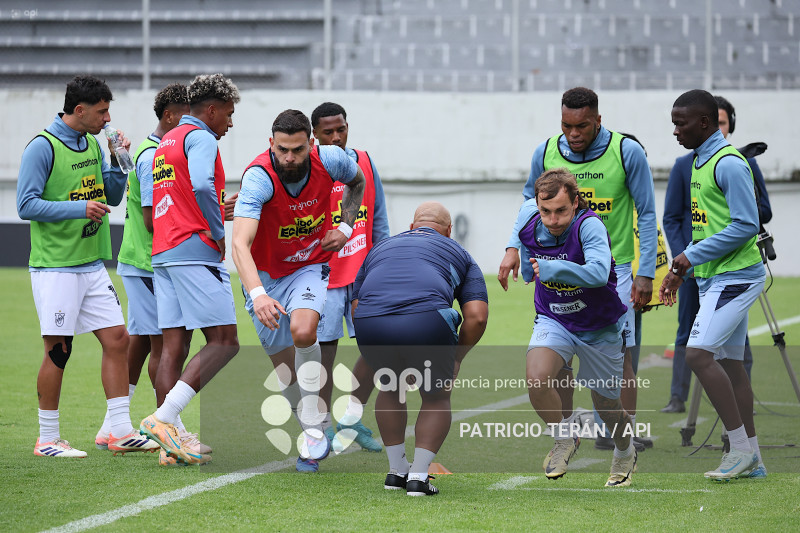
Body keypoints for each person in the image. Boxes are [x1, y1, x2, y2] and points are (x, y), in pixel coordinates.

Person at [498, 87, 657, 452]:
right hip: (557, 266)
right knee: (561, 351)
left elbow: (646, 213)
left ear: (598, 120)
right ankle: (567, 433)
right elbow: (528, 202)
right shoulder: (546, 151)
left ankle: (622, 436)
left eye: (582, 125)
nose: (574, 133)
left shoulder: (625, 152)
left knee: (624, 352)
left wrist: (645, 271)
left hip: (612, 269)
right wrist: (513, 248)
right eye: (567, 125)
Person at [17, 75, 158, 457]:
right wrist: (77, 208)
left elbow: (110, 196)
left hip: (92, 263)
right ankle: (47, 439)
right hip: (56, 266)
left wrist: (116, 159)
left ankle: (120, 431)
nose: (107, 118)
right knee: (59, 350)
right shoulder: (42, 148)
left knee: (117, 340)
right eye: (102, 111)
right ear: (79, 110)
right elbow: (25, 205)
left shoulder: (95, 144)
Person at [232, 109, 366, 473]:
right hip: (264, 275)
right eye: (282, 150)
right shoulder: (258, 178)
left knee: (304, 330)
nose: (289, 158)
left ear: (311, 143)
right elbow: (239, 245)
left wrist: (347, 226)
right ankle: (313, 425)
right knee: (286, 374)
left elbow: (358, 184)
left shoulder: (333, 159)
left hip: (309, 264)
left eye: (297, 150)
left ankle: (311, 429)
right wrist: (258, 293)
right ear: (270, 145)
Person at [93, 83, 211, 465]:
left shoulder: (155, 150)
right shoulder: (151, 155)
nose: (192, 123)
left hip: (147, 259)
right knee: (166, 345)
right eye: (186, 115)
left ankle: (114, 425)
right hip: (149, 261)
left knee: (144, 342)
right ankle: (168, 432)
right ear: (170, 116)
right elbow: (152, 216)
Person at [500, 169, 637, 487]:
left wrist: (549, 267)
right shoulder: (530, 214)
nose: (553, 219)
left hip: (599, 325)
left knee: (607, 407)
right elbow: (520, 222)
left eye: (561, 210)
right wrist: (512, 252)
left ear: (576, 202)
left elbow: (599, 273)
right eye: (545, 211)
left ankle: (625, 451)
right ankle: (565, 437)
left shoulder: (589, 225)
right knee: (536, 380)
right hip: (555, 317)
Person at [661, 89, 766, 480]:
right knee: (732, 366)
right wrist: (680, 269)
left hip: (736, 276)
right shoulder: (699, 162)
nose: (674, 131)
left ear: (704, 123)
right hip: (713, 277)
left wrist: (690, 256)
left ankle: (738, 449)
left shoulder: (728, 163)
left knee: (697, 354)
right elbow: (709, 226)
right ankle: (753, 459)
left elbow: (746, 224)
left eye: (680, 123)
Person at [138, 74, 241, 465]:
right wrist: (217, 232)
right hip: (192, 250)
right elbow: (200, 185)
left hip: (163, 252)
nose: (229, 124)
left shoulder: (166, 141)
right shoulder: (200, 138)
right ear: (211, 110)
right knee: (225, 341)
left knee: (173, 346)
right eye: (228, 115)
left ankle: (172, 441)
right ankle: (164, 418)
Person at [353, 201, 488, 496]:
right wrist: (456, 357)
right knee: (436, 395)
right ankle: (418, 476)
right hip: (425, 321)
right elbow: (477, 316)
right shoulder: (461, 253)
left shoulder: (380, 247)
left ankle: (396, 471)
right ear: (449, 231)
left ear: (412, 227)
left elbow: (357, 303)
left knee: (390, 387)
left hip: (370, 322)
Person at [311, 102, 390, 453]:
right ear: (314, 135)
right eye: (327, 132)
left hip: (365, 275)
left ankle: (351, 417)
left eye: (340, 129)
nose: (336, 136)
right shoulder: (309, 167)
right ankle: (323, 424)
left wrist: (386, 266)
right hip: (324, 276)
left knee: (379, 348)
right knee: (324, 356)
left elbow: (379, 219)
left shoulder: (366, 162)